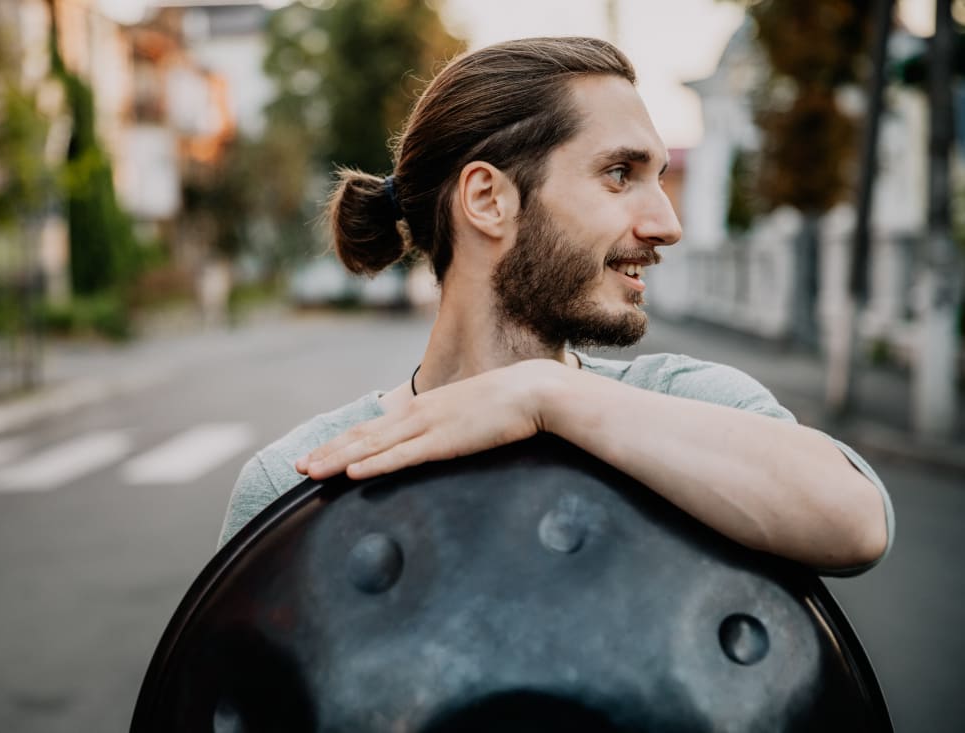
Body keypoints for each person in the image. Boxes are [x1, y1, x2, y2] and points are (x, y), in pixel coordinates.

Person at [219, 37, 893, 576]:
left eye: (659, 178)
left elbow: (856, 524)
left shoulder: (688, 403)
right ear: (488, 199)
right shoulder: (299, 481)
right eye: (620, 174)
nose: (667, 225)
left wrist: (544, 396)